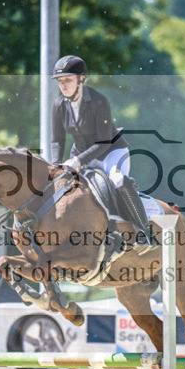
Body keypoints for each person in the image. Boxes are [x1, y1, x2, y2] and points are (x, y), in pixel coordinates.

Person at [49, 54, 155, 252]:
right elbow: (57, 139)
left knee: (117, 180)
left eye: (68, 80)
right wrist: (55, 165)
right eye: (60, 81)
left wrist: (78, 160)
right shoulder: (59, 106)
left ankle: (144, 232)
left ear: (82, 79)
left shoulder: (99, 102)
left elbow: (105, 141)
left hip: (111, 152)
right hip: (80, 155)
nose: (63, 85)